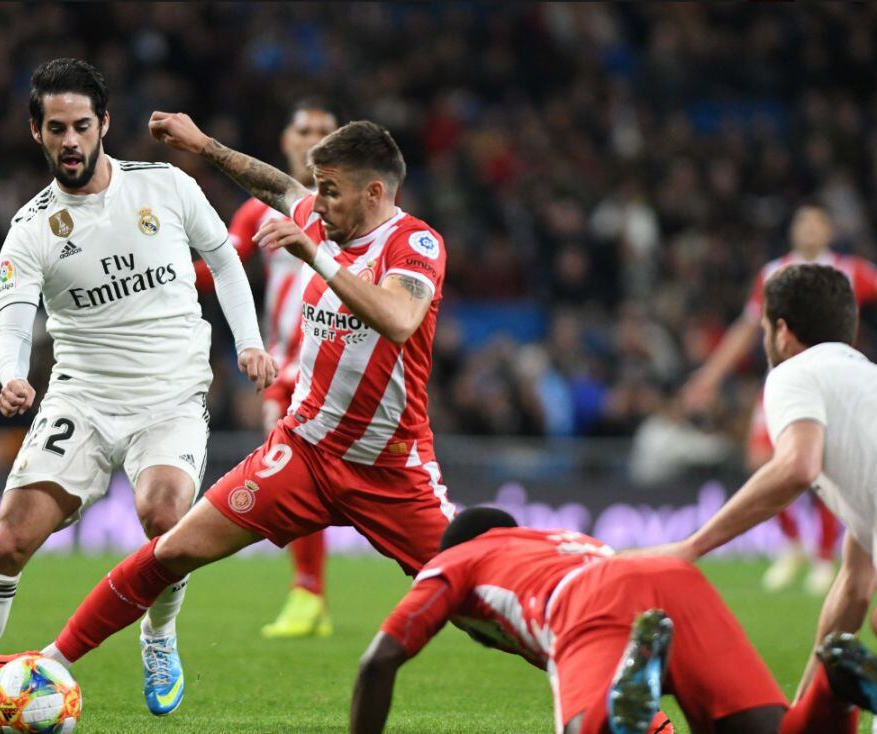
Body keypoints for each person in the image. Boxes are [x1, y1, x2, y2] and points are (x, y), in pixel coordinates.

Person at [0, 113, 455, 693]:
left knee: (473, 588)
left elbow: (400, 319)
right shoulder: (320, 217)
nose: (316, 203)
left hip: (390, 469)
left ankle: (561, 651)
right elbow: (277, 186)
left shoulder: (414, 243)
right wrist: (204, 146)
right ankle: (52, 661)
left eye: (330, 191)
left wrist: (316, 257)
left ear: (374, 193)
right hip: (304, 452)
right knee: (172, 549)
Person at [0, 58, 276, 720]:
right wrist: (11, 375)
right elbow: (12, 320)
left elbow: (224, 260)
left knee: (165, 518)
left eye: (81, 125)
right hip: (81, 400)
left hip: (170, 396)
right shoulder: (31, 228)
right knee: (9, 540)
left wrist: (248, 341)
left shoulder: (165, 187)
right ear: (37, 132)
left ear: (104, 123)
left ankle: (158, 634)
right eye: (57, 128)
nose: (70, 140)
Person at [351, 507, 877, 734]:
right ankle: (833, 684)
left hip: (586, 601)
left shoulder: (455, 560)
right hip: (663, 574)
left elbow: (379, 661)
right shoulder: (564, 540)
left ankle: (611, 714)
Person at [639, 263, 877, 711]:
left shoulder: (794, 372)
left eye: (764, 329)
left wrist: (692, 545)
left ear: (782, 332)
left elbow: (796, 466)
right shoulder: (864, 384)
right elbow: (855, 588)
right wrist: (805, 709)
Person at [192, 98, 341, 639]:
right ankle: (308, 593)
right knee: (302, 479)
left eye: (325, 129)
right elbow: (221, 268)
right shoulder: (260, 210)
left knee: (318, 480)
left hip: (340, 365)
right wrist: (161, 273)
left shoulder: (350, 208)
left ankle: (313, 592)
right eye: (304, 129)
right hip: (285, 368)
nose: (314, 138)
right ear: (286, 140)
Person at [681, 204, 877, 594]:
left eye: (817, 222)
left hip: (831, 383)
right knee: (761, 462)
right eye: (803, 222)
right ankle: (794, 546)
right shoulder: (773, 272)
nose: (809, 229)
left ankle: (824, 556)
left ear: (829, 230)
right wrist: (710, 375)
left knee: (821, 465)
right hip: (783, 379)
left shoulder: (851, 270)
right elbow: (747, 328)